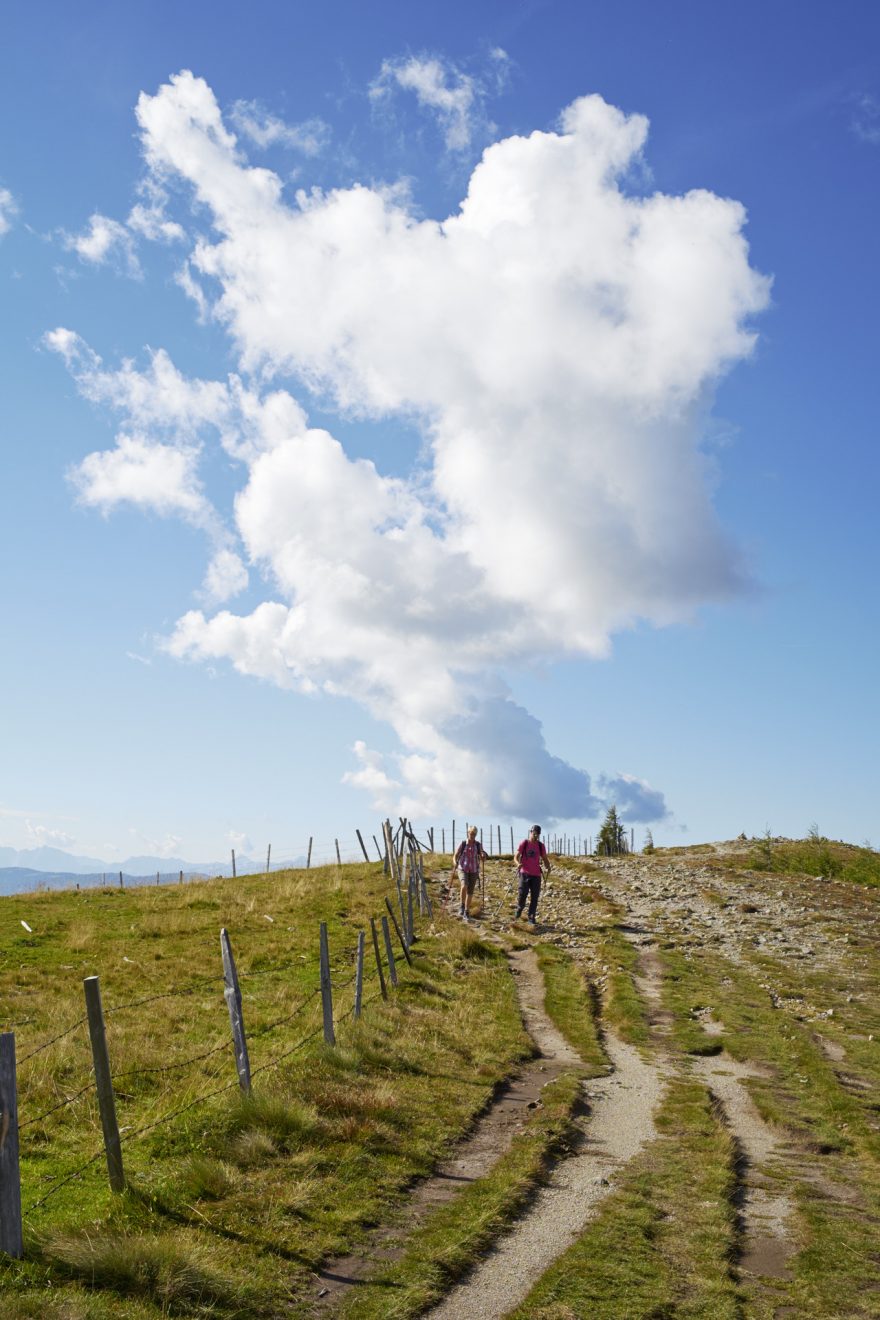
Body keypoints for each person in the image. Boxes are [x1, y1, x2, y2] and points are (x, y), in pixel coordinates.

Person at [515, 825, 550, 925]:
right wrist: (518, 864)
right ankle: (519, 908)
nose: (535, 835)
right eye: (534, 832)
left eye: (537, 833)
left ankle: (531, 917)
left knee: (534, 897)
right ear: (530, 832)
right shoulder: (524, 843)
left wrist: (548, 866)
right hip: (524, 873)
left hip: (536, 875)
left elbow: (544, 858)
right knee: (522, 894)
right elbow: (516, 856)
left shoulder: (540, 845)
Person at [452, 825, 484, 921]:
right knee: (464, 885)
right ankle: (462, 905)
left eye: (474, 834)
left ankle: (466, 911)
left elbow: (482, 856)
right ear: (468, 833)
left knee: (470, 892)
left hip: (474, 870)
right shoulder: (463, 844)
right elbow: (455, 855)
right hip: (462, 868)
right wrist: (455, 863)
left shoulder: (478, 845)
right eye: (471, 833)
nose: (472, 835)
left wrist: (483, 855)